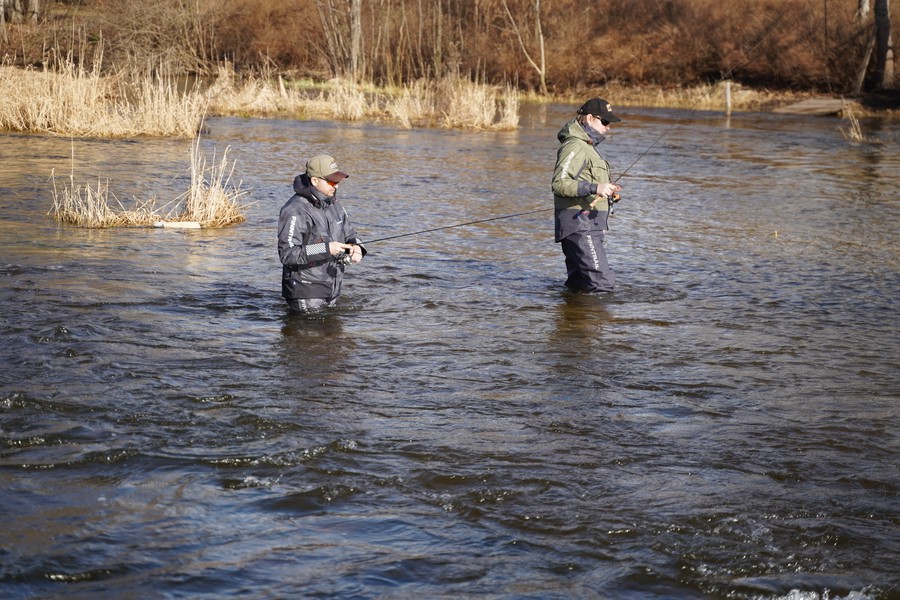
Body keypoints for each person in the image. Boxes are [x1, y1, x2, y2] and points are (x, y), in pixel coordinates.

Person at [550, 97, 623, 293]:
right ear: (590, 118)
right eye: (605, 122)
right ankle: (597, 323)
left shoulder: (587, 147)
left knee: (579, 287)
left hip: (586, 225)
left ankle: (573, 322)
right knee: (602, 285)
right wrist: (594, 188)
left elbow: (584, 182)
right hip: (581, 227)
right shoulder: (575, 145)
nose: (608, 127)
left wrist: (606, 191)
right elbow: (559, 183)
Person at [277, 154, 366, 313]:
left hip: (332, 288)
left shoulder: (335, 204)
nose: (336, 186)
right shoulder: (295, 209)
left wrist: (358, 248)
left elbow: (351, 233)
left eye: (338, 181)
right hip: (306, 292)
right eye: (331, 181)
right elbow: (287, 254)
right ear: (315, 181)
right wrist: (326, 248)